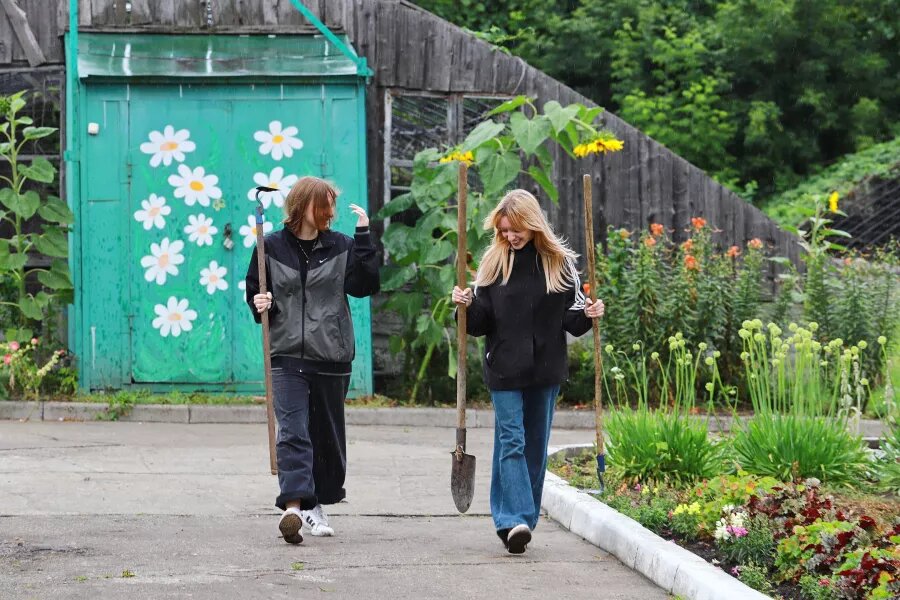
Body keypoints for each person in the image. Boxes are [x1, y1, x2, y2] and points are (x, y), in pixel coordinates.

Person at [450, 189, 604, 554]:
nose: (509, 236)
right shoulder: (493, 262)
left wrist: (590, 313)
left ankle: (519, 522)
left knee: (534, 446)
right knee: (512, 441)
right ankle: (512, 518)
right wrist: (465, 306)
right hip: (504, 367)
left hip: (546, 369)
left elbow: (571, 321)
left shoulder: (558, 264)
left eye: (515, 229)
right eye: (504, 230)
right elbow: (480, 323)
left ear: (532, 224)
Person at [245, 176, 379, 544]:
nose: (330, 213)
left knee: (325, 437)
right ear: (303, 206)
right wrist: (261, 303)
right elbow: (255, 290)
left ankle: (314, 504)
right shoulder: (270, 246)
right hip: (286, 353)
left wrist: (364, 237)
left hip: (331, 354)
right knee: (292, 431)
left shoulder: (342, 245)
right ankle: (292, 506)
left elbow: (365, 286)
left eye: (332, 206)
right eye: (324, 206)